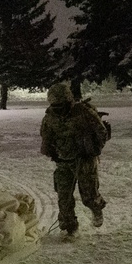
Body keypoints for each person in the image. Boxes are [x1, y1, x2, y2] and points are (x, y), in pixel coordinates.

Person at [39, 82, 108, 240]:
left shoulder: (83, 112)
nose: (57, 108)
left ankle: (97, 209)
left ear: (68, 100)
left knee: (89, 196)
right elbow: (45, 135)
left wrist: (93, 151)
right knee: (64, 197)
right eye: (54, 104)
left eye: (60, 104)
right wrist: (51, 152)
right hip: (63, 161)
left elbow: (101, 131)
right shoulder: (50, 116)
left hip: (84, 161)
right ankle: (70, 228)